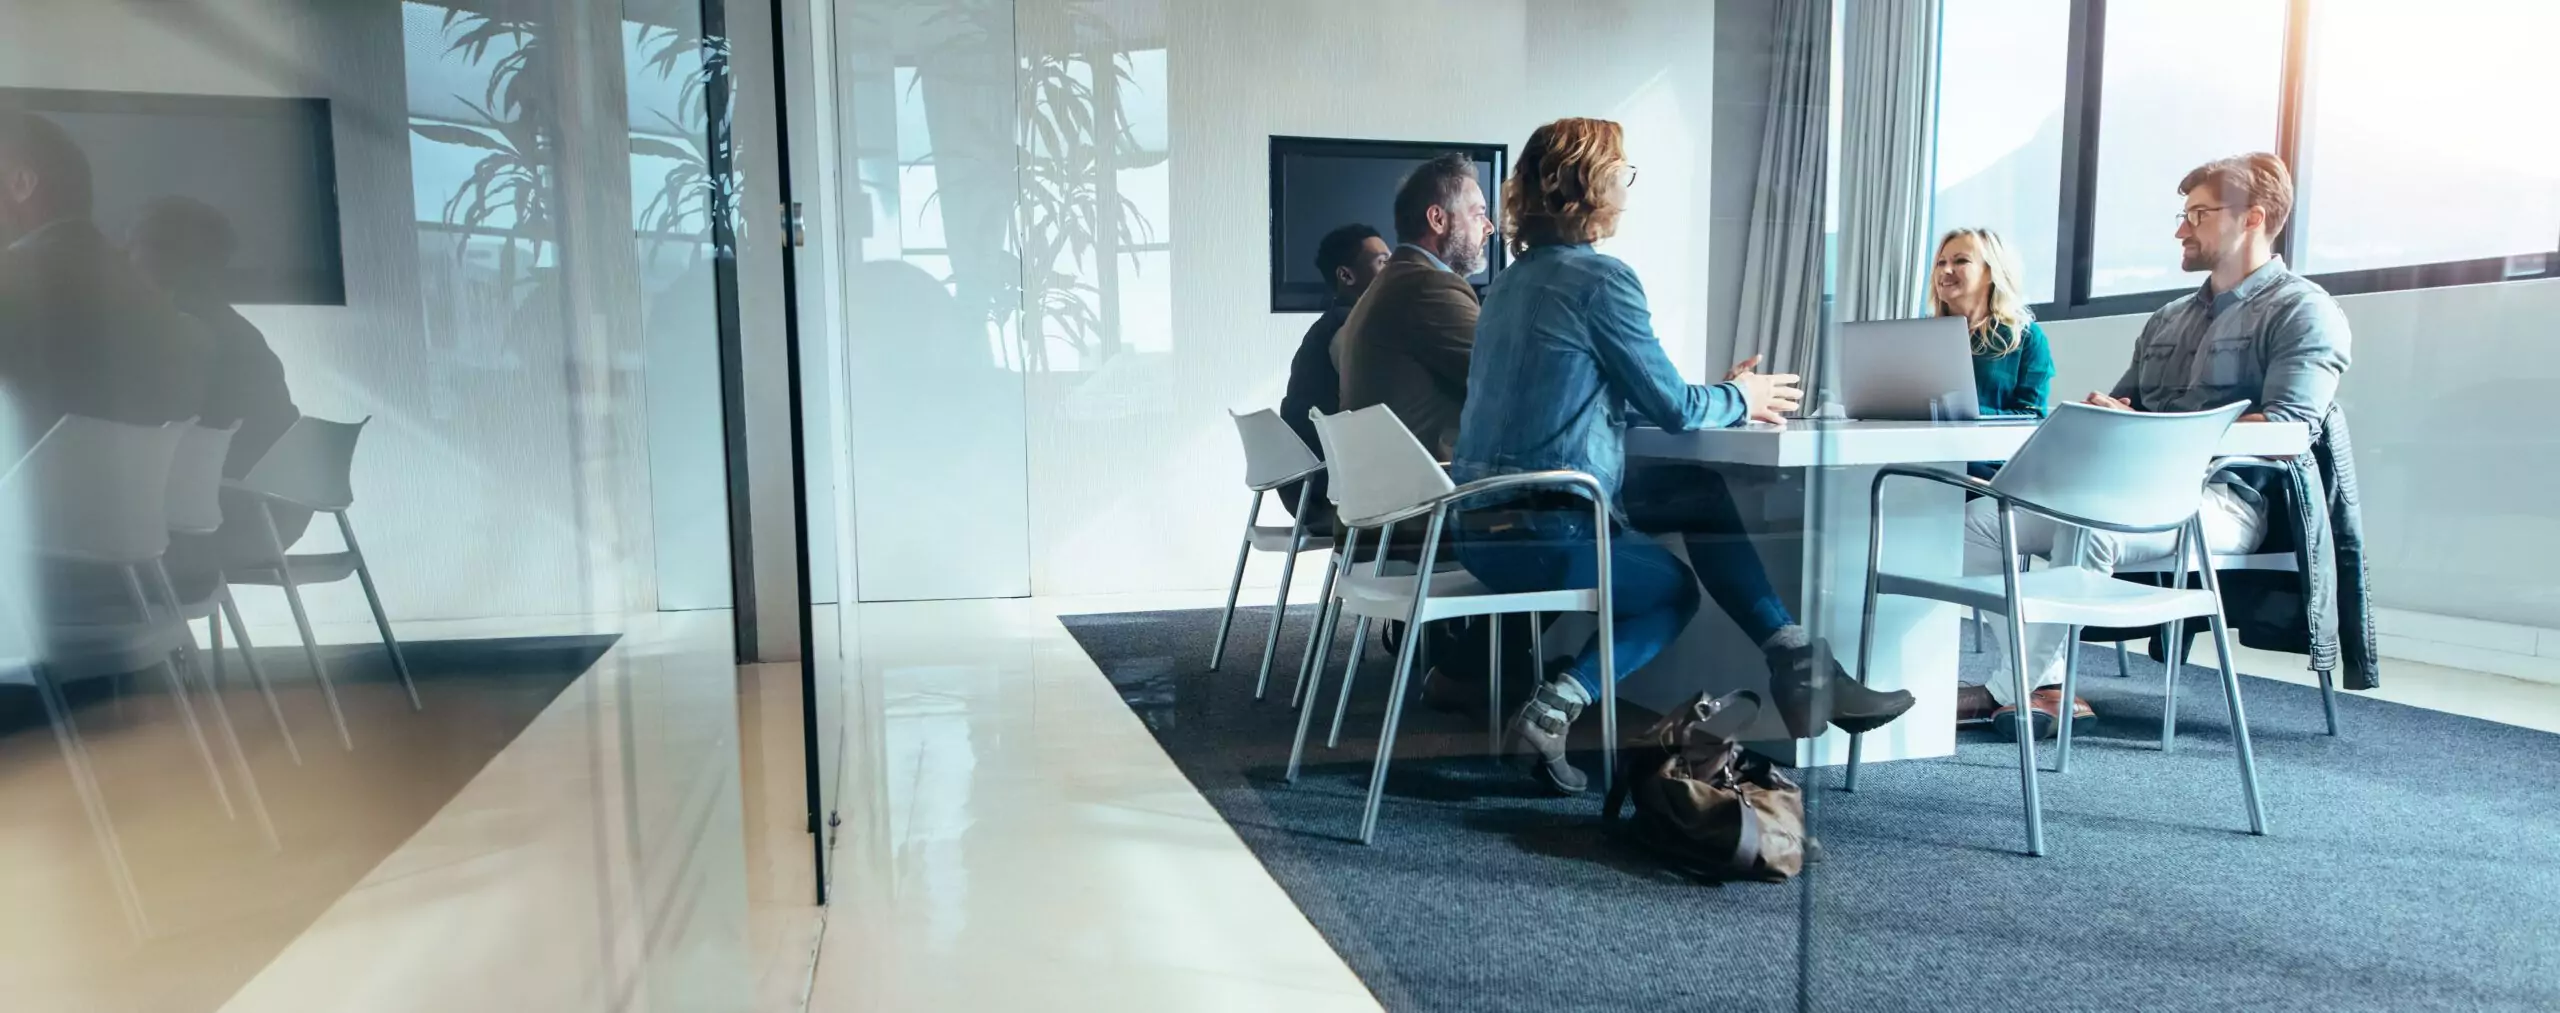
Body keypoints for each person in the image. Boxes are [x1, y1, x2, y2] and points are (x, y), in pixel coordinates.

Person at [1451, 117, 1912, 795]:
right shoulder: (1602, 281)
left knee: (1698, 492)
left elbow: (1588, 396)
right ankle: (1556, 707)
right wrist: (1741, 393)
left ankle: (1800, 663)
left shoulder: (1506, 288)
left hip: (1476, 527)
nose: (1627, 188)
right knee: (1673, 592)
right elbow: (1674, 409)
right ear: (1591, 184)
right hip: (1545, 529)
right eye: (1623, 172)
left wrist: (1718, 392)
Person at [1959, 152, 2350, 739]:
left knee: (2086, 522)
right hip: (2124, 492)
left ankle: (2008, 688)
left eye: (2197, 214)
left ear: (2252, 218)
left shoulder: (2304, 311)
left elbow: (2291, 429)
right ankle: (2045, 680)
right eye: (2182, 213)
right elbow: (2126, 409)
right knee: (1976, 524)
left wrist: (2150, 430)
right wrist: (2112, 415)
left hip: (2228, 499)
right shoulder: (2167, 318)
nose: (2179, 229)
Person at [0, 110, 211, 458]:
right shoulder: (150, 294)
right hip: (137, 511)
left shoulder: (15, 277)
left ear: (22, 183)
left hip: (29, 505)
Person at [129, 196, 311, 581]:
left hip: (229, 521)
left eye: (134, 244)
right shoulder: (234, 328)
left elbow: (152, 430)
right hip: (272, 515)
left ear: (165, 257)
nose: (123, 257)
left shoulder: (186, 332)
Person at [1333, 152, 1490, 461]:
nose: (1489, 227)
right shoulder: (1428, 287)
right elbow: (1506, 377)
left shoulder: (1394, 279)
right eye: (1477, 214)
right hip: (1431, 496)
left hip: (1386, 490)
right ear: (1437, 219)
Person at [1278, 223, 1390, 527]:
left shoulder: (1329, 324)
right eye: (1382, 262)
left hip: (1305, 488)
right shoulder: (1350, 330)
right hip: (1328, 494)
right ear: (1346, 275)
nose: (1394, 271)